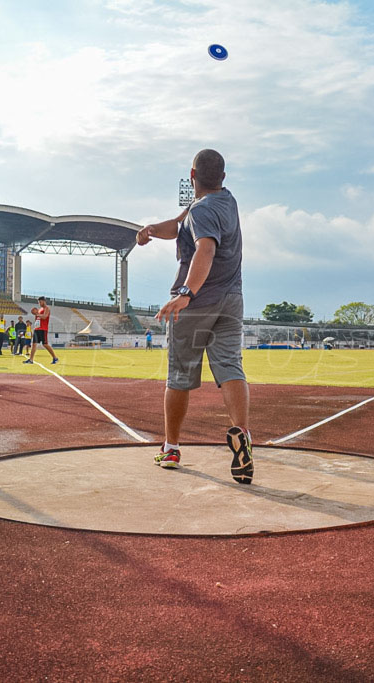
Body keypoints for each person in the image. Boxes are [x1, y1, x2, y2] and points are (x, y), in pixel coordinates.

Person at [136, 149, 252, 484]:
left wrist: (187, 293)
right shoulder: (227, 201)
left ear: (191, 175)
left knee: (180, 376)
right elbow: (178, 223)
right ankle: (242, 435)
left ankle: (171, 447)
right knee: (231, 367)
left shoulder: (202, 210)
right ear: (223, 178)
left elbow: (206, 248)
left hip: (197, 303)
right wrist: (151, 230)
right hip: (232, 301)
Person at [24, 296, 58, 365]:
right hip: (37, 329)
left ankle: (55, 357)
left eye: (40, 302)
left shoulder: (46, 308)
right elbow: (37, 319)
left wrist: (37, 314)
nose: (39, 303)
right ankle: (31, 360)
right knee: (34, 344)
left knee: (45, 344)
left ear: (44, 301)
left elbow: (45, 317)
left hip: (43, 329)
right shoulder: (39, 310)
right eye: (38, 302)